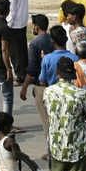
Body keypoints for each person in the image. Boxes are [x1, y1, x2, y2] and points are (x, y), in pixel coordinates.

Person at [19, 14, 54, 148]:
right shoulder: (53, 39)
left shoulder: (35, 44)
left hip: (42, 87)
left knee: (46, 122)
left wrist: (24, 87)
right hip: (56, 84)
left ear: (36, 27)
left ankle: (51, 150)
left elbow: (32, 69)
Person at [5, 0, 29, 87]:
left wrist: (7, 24)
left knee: (15, 52)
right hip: (23, 21)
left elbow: (11, 8)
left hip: (14, 23)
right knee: (22, 49)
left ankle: (20, 76)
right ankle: (26, 72)